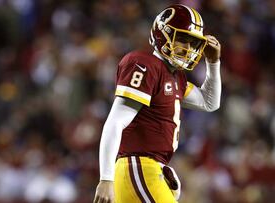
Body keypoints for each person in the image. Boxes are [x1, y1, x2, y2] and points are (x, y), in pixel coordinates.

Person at [93, 4, 221, 203]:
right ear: (163, 35)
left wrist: (213, 64)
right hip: (138, 167)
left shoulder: (176, 77)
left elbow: (209, 102)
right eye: (182, 39)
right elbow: (115, 121)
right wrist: (106, 178)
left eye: (192, 43)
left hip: (150, 169)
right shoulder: (144, 64)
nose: (187, 48)